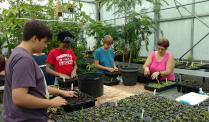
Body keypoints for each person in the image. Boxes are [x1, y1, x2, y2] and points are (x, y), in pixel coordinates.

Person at [3, 20, 76, 122]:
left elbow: (36, 86)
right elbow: (19, 98)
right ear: (35, 38)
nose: (45, 46)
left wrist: (62, 92)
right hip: (26, 118)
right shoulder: (24, 59)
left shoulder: (17, 53)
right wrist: (51, 102)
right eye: (45, 42)